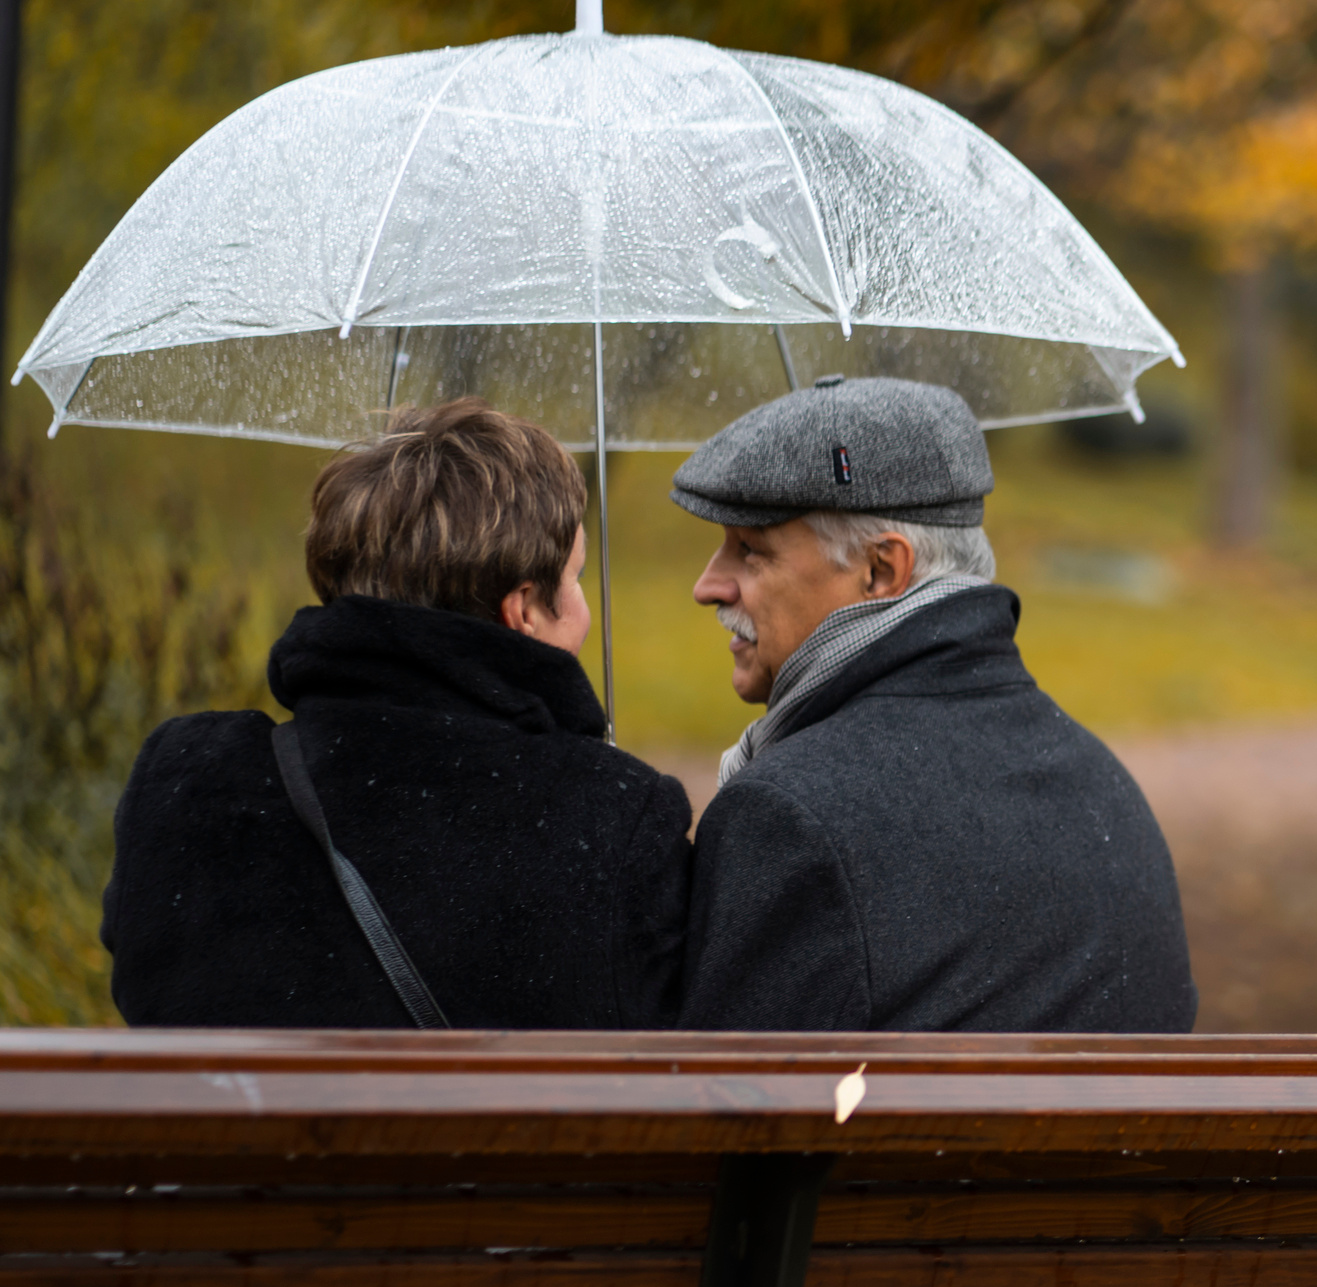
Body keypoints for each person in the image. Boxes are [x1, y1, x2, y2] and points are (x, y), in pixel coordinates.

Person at [102, 398, 691, 1029]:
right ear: (521, 609)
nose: (583, 610)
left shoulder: (188, 778)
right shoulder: (616, 816)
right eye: (575, 578)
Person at [672, 375, 1194, 1033]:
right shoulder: (1108, 791)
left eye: (750, 550)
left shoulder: (788, 818)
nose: (707, 586)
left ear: (882, 571)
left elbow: (730, 1114)